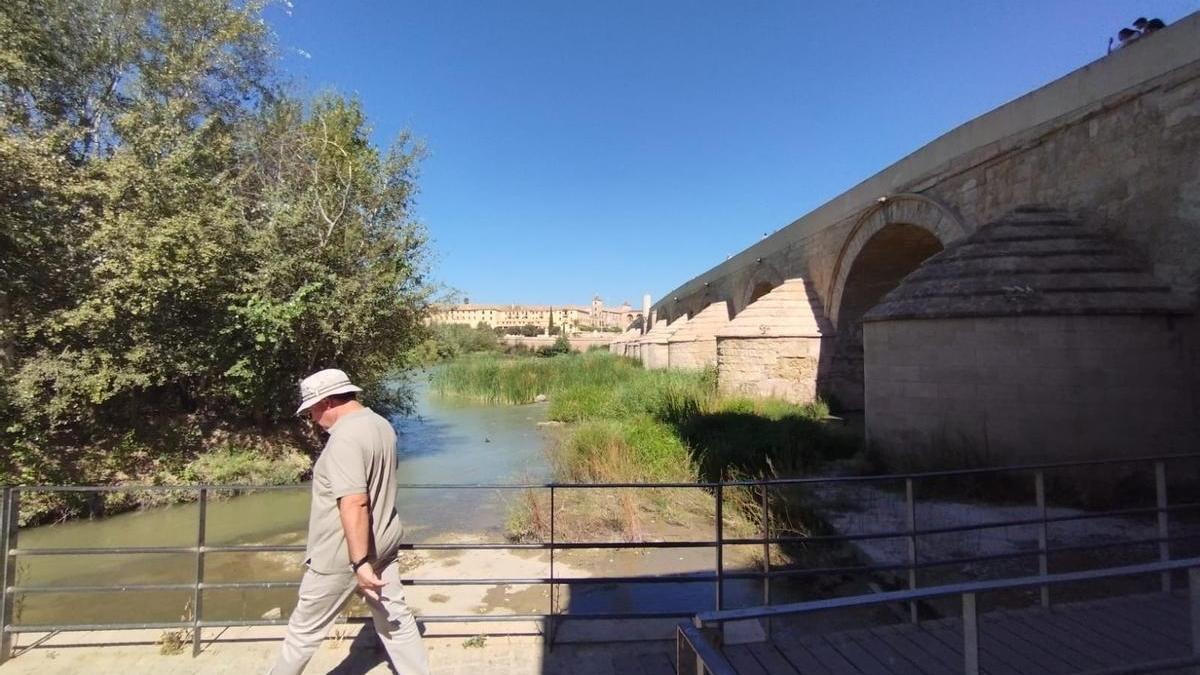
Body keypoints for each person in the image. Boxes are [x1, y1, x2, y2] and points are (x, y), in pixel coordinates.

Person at [268, 368, 430, 675]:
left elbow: (355, 502)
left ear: (327, 402)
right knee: (396, 622)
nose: (312, 419)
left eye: (312, 410)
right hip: (382, 543)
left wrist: (359, 564)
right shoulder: (380, 424)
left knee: (303, 633)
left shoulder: (344, 438)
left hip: (342, 555)